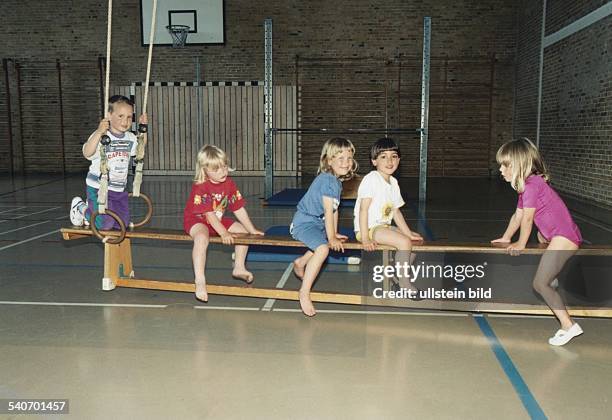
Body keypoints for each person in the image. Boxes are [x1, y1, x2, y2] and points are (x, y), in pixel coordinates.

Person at [493, 137, 583, 346]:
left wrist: (520, 243)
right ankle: (553, 277)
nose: (500, 170)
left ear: (518, 165)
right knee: (540, 239)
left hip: (564, 236)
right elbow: (517, 216)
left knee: (539, 284)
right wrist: (507, 237)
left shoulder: (533, 185)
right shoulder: (526, 186)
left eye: (504, 165)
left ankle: (568, 325)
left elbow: (527, 218)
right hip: (553, 235)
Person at [184, 144, 263, 302]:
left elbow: (238, 209)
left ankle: (239, 266)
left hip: (217, 220)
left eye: (224, 167)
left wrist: (251, 229)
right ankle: (200, 280)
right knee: (201, 239)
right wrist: (224, 233)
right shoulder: (201, 186)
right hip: (197, 220)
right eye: (216, 169)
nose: (223, 172)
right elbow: (209, 215)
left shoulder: (229, 184)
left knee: (243, 232)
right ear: (205, 170)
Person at [291, 137, 357, 316]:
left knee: (323, 242)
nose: (346, 163)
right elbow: (328, 211)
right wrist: (332, 238)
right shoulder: (328, 180)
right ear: (329, 160)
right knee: (322, 249)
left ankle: (301, 262)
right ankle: (304, 292)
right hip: (304, 223)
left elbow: (335, 210)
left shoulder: (336, 181)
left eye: (349, 158)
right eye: (340, 158)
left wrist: (333, 233)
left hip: (316, 224)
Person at [354, 137, 423, 293]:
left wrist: (408, 233)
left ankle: (394, 272)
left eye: (394, 156)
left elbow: (396, 212)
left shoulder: (393, 182)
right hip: (369, 228)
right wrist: (365, 238)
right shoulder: (371, 179)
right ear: (374, 161)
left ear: (399, 159)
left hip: (383, 227)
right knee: (404, 243)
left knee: (415, 242)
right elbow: (363, 210)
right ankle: (405, 283)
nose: (389, 161)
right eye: (383, 157)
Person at [69, 95, 147, 230]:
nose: (125, 121)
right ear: (109, 115)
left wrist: (143, 127)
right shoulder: (102, 136)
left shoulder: (130, 138)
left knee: (121, 224)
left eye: (129, 117)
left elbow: (140, 147)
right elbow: (87, 152)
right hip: (99, 188)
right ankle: (81, 208)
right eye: (120, 116)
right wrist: (99, 131)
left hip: (118, 190)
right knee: (104, 224)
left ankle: (93, 214)